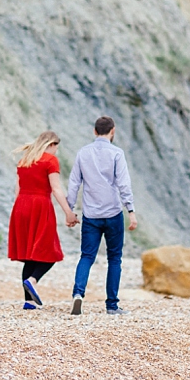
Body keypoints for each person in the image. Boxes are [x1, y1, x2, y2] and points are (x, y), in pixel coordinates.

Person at [66, 116, 137, 315]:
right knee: (114, 259)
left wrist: (70, 210)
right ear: (112, 131)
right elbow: (124, 184)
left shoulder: (83, 153)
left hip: (91, 214)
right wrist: (131, 211)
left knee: (87, 256)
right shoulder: (117, 153)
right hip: (113, 213)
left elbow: (74, 184)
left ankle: (78, 294)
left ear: (95, 131)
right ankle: (112, 305)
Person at [8, 131, 79, 310]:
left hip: (21, 206)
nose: (56, 151)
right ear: (52, 144)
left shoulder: (25, 160)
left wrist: (20, 208)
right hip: (40, 205)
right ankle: (32, 280)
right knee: (51, 251)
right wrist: (68, 212)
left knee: (29, 255)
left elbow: (16, 190)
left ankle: (29, 302)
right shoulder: (50, 161)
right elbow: (56, 189)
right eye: (56, 147)